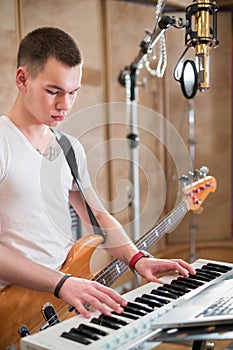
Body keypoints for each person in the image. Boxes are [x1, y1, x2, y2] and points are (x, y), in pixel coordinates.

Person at [0, 27, 195, 320]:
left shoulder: (68, 148)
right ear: (22, 79)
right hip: (13, 308)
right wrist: (62, 283)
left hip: (58, 302)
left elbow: (98, 218)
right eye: (53, 92)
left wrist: (138, 259)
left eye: (72, 93)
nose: (64, 105)